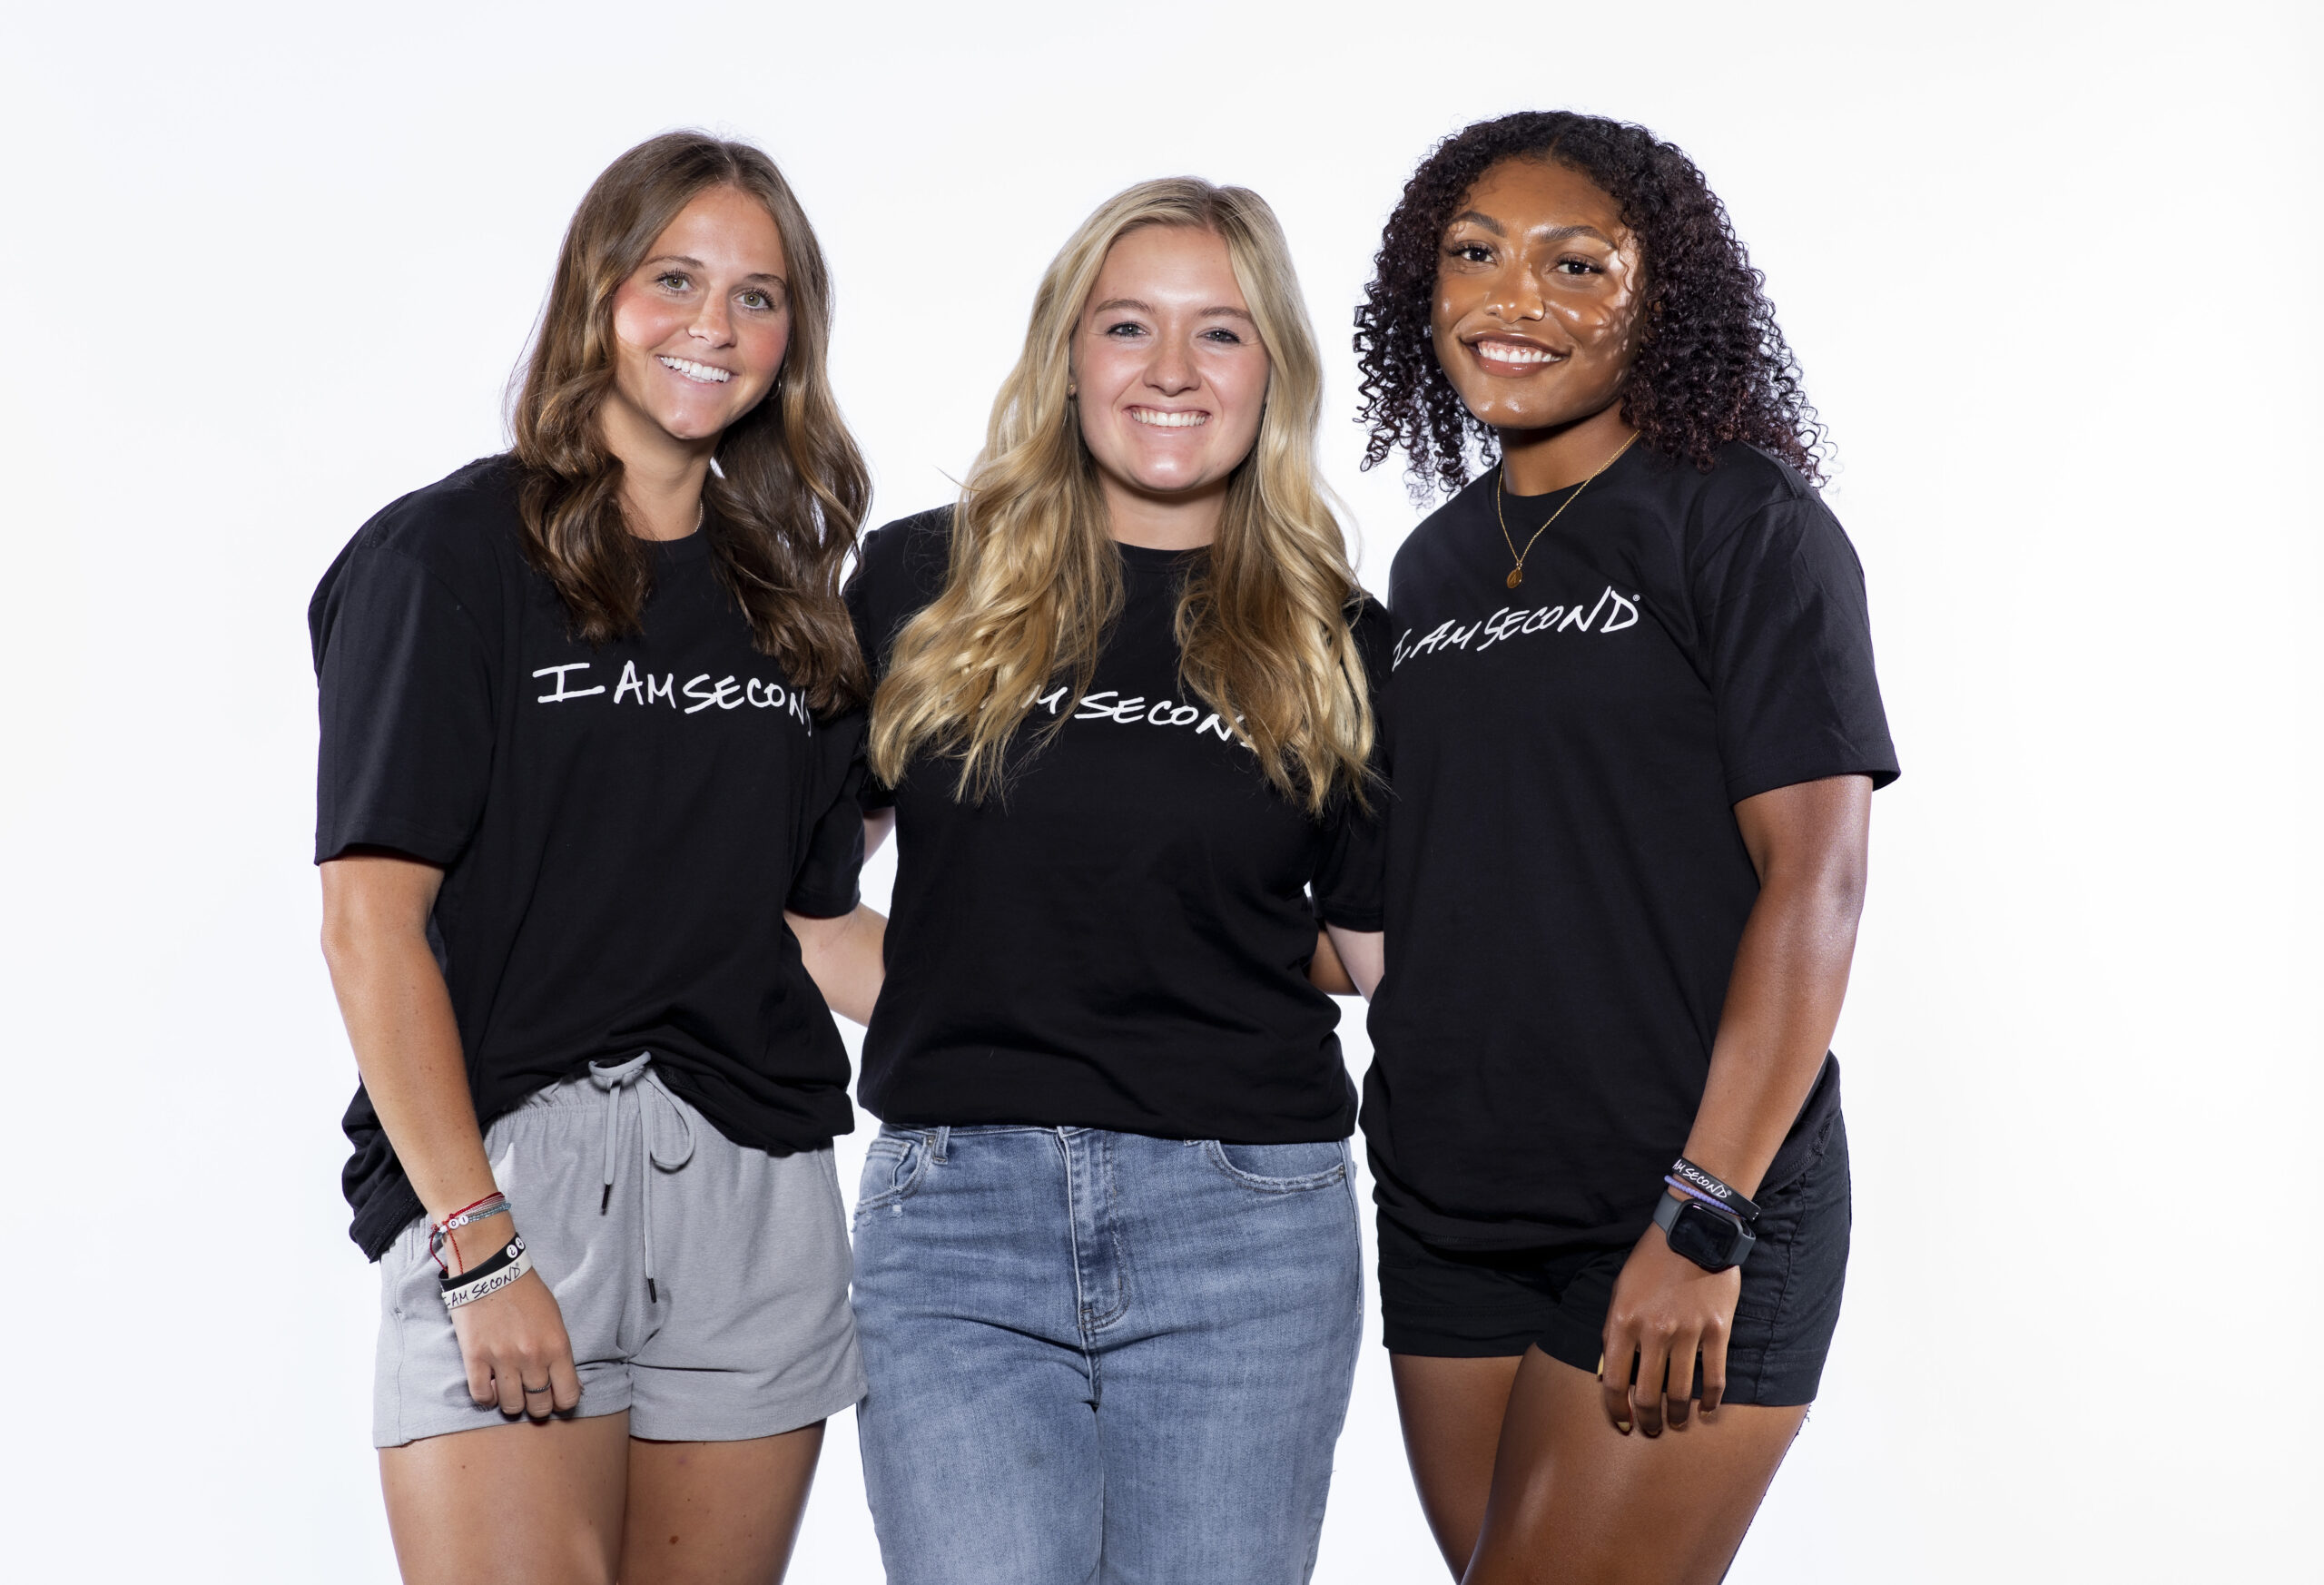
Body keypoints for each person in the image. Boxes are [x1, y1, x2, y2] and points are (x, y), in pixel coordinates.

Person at [310, 131, 885, 1585]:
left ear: (792, 339)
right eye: (675, 278)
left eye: (760, 297)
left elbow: (817, 930)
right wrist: (480, 1241)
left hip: (753, 1185)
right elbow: (370, 925)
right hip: (516, 1173)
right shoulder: (447, 557)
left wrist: (1096, 986)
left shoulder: (792, 606)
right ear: (596, 294)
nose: (716, 324)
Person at [1351, 111, 1900, 1584]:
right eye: (1472, 255)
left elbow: (1820, 878)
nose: (1510, 298)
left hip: (1678, 1201)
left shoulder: (1744, 524)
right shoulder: (1435, 563)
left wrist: (1704, 1209)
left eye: (1574, 263)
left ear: (1664, 298)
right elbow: (1439, 887)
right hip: (1453, 1210)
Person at [838, 177, 1388, 1585]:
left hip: (1246, 1228)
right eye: (1127, 325)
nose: (1168, 372)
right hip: (956, 1219)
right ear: (1066, 353)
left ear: (1273, 370)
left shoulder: (1334, 635)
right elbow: (794, 902)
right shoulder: (922, 581)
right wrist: (978, 985)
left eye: (1220, 334)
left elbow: (1375, 947)